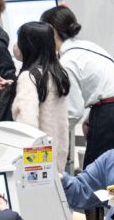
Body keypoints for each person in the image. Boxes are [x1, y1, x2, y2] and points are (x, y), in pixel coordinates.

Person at [42, 5, 114, 168]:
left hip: (108, 114)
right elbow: (106, 86)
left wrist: (55, 140)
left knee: (94, 171)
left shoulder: (67, 61)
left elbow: (73, 111)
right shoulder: (88, 46)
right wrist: (90, 119)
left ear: (51, 31)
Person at [11, 21, 73, 160]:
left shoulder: (28, 77)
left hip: (37, 159)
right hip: (57, 152)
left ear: (28, 47)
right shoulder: (57, 73)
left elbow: (27, 123)